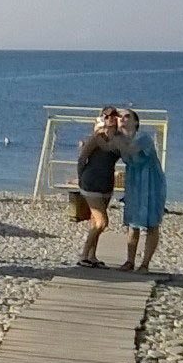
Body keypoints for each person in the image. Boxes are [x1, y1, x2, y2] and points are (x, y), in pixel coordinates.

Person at [75, 107, 126, 267]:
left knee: (94, 222)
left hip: (107, 182)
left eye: (113, 115)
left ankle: (92, 256)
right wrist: (81, 177)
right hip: (91, 182)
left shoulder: (119, 139)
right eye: (107, 116)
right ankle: (83, 255)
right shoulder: (97, 137)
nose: (110, 118)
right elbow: (82, 158)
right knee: (102, 222)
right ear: (103, 118)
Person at [117, 109, 166, 272]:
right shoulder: (121, 139)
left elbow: (131, 150)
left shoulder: (143, 137)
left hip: (151, 181)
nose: (122, 119)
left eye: (127, 117)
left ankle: (145, 263)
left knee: (152, 222)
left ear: (135, 122)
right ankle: (130, 261)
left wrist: (113, 139)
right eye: (120, 117)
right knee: (133, 222)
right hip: (134, 182)